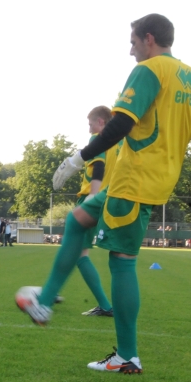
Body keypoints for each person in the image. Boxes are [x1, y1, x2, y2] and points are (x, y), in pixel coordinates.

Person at [17, 14, 191, 375]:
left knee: (123, 261)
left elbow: (120, 123)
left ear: (148, 38)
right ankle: (45, 301)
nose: (130, 50)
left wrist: (78, 156)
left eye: (132, 42)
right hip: (151, 180)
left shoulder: (150, 69)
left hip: (135, 179)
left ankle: (127, 356)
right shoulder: (190, 78)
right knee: (77, 219)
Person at [73, 106, 117, 317]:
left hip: (90, 199)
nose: (89, 128)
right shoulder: (118, 143)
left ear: (101, 122)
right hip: (108, 199)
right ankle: (49, 293)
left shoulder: (98, 140)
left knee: (78, 252)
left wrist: (91, 196)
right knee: (76, 251)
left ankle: (106, 305)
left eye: (91, 123)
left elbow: (98, 167)